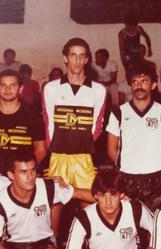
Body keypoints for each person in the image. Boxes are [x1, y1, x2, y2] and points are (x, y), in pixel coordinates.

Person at [107, 63, 161, 212]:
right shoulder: (118, 113)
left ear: (153, 85)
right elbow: (111, 148)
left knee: (156, 225)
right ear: (130, 86)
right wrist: (126, 166)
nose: (139, 86)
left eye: (144, 81)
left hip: (156, 179)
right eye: (135, 82)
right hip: (126, 178)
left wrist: (156, 164)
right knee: (128, 225)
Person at [42, 37, 106, 191]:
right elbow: (48, 121)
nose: (77, 60)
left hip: (84, 158)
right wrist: (56, 148)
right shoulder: (51, 88)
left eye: (81, 55)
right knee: (55, 207)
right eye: (73, 55)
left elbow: (97, 124)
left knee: (90, 205)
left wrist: (82, 144)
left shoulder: (98, 90)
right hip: (58, 157)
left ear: (87, 59)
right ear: (65, 58)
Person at [0, 69, 46, 174]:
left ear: (20, 89)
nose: (8, 89)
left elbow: (40, 151)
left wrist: (29, 174)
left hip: (21, 177)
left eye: (13, 85)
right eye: (3, 85)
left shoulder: (33, 115)